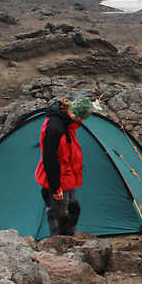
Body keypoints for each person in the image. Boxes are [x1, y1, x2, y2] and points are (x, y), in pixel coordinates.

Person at [34, 94, 93, 236]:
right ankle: (60, 244)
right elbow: (50, 159)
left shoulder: (66, 121)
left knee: (74, 210)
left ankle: (70, 237)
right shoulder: (55, 128)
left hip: (67, 177)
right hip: (57, 181)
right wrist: (55, 188)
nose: (82, 121)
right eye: (82, 118)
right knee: (60, 216)